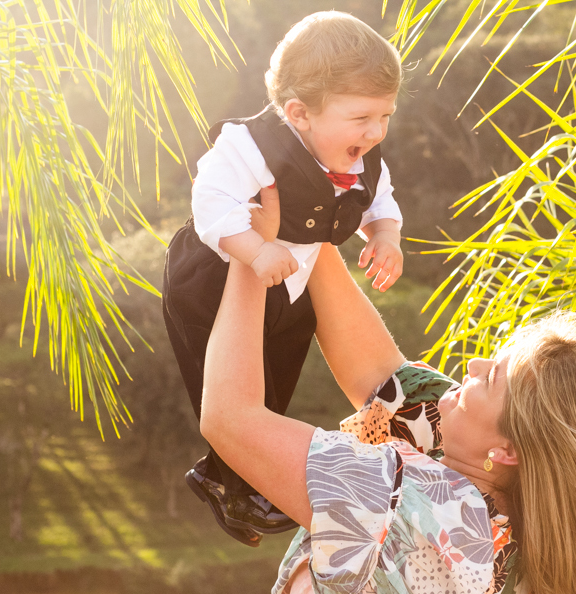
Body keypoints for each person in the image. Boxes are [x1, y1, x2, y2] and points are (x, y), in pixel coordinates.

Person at [200, 221, 576, 594]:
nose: (473, 368)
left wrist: (248, 240)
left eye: (492, 377)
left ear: (510, 451)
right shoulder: (519, 515)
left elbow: (230, 416)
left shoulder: (410, 509)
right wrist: (311, 214)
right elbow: (382, 378)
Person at [162, 11, 405, 546]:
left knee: (273, 390)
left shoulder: (364, 156)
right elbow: (212, 205)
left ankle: (224, 480)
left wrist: (385, 237)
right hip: (214, 279)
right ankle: (239, 484)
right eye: (362, 116)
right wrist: (254, 250)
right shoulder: (249, 146)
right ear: (299, 114)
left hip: (290, 285)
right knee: (233, 387)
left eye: (385, 116)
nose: (375, 131)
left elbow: (377, 203)